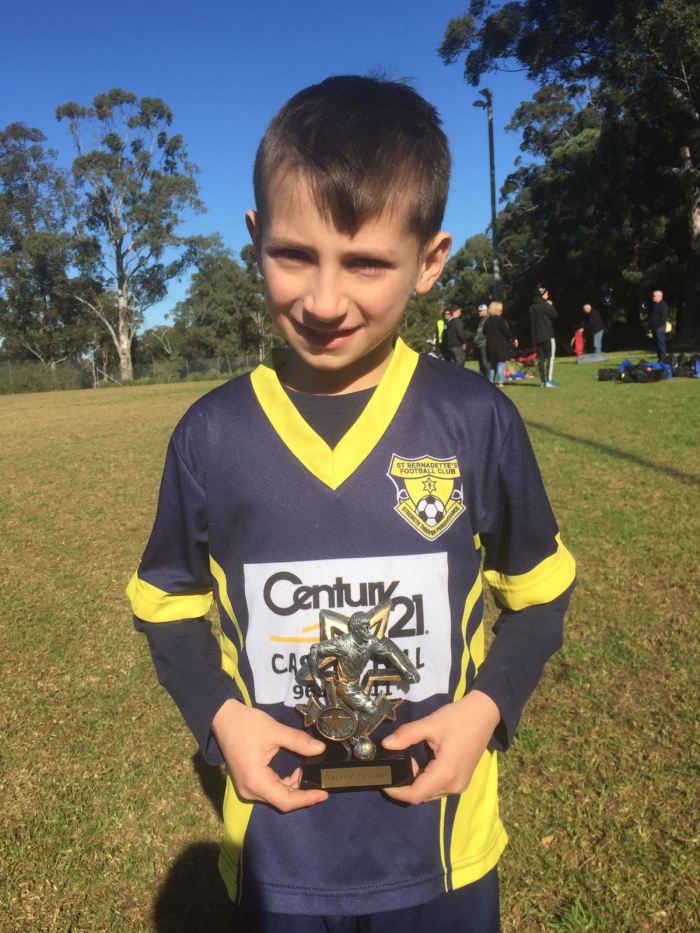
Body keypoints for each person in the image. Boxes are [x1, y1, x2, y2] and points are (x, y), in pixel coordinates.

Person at [128, 75, 576, 933]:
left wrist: (485, 707)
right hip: (280, 858)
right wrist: (221, 717)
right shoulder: (211, 435)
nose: (325, 300)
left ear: (430, 261)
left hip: (443, 846)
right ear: (255, 238)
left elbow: (540, 594)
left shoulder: (475, 420)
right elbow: (166, 603)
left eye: (366, 263)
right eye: (294, 255)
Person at [529, 285, 559, 387]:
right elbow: (555, 315)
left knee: (540, 359)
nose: (548, 295)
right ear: (542, 294)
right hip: (548, 335)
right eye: (546, 293)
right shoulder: (545, 305)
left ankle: (543, 381)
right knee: (550, 357)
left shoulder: (532, 308)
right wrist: (551, 305)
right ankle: (549, 380)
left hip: (537, 336)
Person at [483, 301, 518, 386]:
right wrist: (513, 338)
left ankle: (490, 382)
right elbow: (506, 331)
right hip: (500, 346)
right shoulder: (500, 320)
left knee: (492, 365)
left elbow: (484, 332)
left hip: (490, 346)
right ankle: (500, 382)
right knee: (500, 363)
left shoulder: (487, 321)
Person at [649, 290, 669, 360]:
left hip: (659, 327)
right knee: (657, 344)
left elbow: (663, 317)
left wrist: (658, 325)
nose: (653, 297)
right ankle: (660, 358)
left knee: (661, 343)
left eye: (654, 296)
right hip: (655, 327)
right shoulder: (655, 305)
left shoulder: (663, 305)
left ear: (659, 296)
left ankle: (663, 359)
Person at [474, 303, 489, 376]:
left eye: (481, 311)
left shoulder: (488, 319)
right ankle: (482, 378)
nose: (479, 312)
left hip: (484, 343)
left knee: (485, 363)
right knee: (481, 364)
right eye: (479, 311)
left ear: (486, 310)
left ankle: (488, 379)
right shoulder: (481, 320)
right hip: (479, 344)